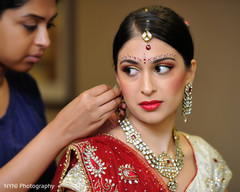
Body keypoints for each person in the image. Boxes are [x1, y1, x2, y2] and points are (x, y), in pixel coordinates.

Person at [52, 5, 232, 192]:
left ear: (190, 72)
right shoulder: (94, 161)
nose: (147, 88)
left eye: (161, 68)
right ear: (117, 77)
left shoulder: (206, 159)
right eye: (131, 70)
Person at [0, 0, 125, 191]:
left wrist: (87, 135)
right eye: (30, 26)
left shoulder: (24, 86)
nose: (46, 40)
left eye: (49, 25)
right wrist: (62, 129)